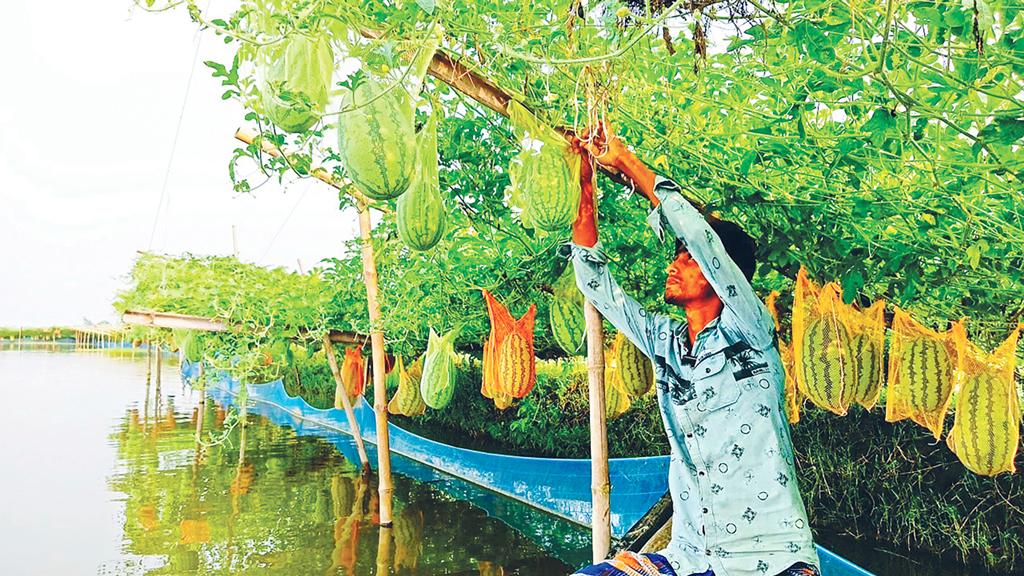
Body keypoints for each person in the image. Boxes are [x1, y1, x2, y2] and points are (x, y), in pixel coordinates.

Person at [567, 126, 820, 576]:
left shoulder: (750, 330)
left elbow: (700, 235)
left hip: (774, 561)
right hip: (691, 558)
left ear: (719, 273)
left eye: (687, 258)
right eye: (678, 256)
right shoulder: (665, 343)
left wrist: (625, 161)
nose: (674, 264)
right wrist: (584, 184)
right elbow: (596, 285)